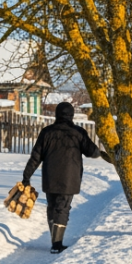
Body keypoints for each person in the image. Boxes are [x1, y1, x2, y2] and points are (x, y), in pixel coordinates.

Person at [22, 101, 102, 253]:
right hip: (69, 178)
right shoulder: (78, 132)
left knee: (52, 207)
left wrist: (26, 176)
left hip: (50, 176)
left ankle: (55, 241)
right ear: (71, 115)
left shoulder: (47, 132)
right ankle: (57, 244)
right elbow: (93, 152)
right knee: (62, 208)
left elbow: (36, 157)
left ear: (56, 114)